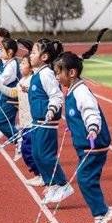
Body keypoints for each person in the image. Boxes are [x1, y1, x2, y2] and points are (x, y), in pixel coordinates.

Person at [54, 50, 112, 223]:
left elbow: (90, 111)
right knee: (89, 179)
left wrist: (92, 128)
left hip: (93, 144)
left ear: (71, 73)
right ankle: (101, 212)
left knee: (85, 179)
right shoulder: (72, 91)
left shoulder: (81, 91)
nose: (57, 76)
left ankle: (102, 212)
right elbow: (77, 114)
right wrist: (73, 127)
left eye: (59, 72)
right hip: (85, 145)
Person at [29, 38, 74, 205]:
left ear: (44, 56)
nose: (30, 55)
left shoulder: (47, 73)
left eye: (33, 52)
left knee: (46, 156)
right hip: (37, 121)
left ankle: (63, 184)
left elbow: (56, 96)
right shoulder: (37, 74)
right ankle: (51, 184)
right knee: (36, 154)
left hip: (46, 121)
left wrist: (51, 110)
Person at [0, 50, 40, 186]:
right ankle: (40, 174)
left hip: (33, 122)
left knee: (31, 151)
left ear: (31, 68)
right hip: (24, 123)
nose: (20, 66)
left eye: (24, 63)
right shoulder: (22, 81)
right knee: (27, 152)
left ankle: (43, 176)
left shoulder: (33, 80)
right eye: (21, 63)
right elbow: (13, 92)